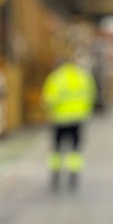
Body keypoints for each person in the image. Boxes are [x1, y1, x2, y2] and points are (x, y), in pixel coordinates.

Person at [41, 55, 97, 191]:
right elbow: (92, 95)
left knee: (56, 149)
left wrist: (50, 110)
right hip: (78, 118)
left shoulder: (55, 78)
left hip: (59, 119)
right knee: (75, 149)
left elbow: (48, 100)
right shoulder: (83, 76)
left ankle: (56, 176)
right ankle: (73, 177)